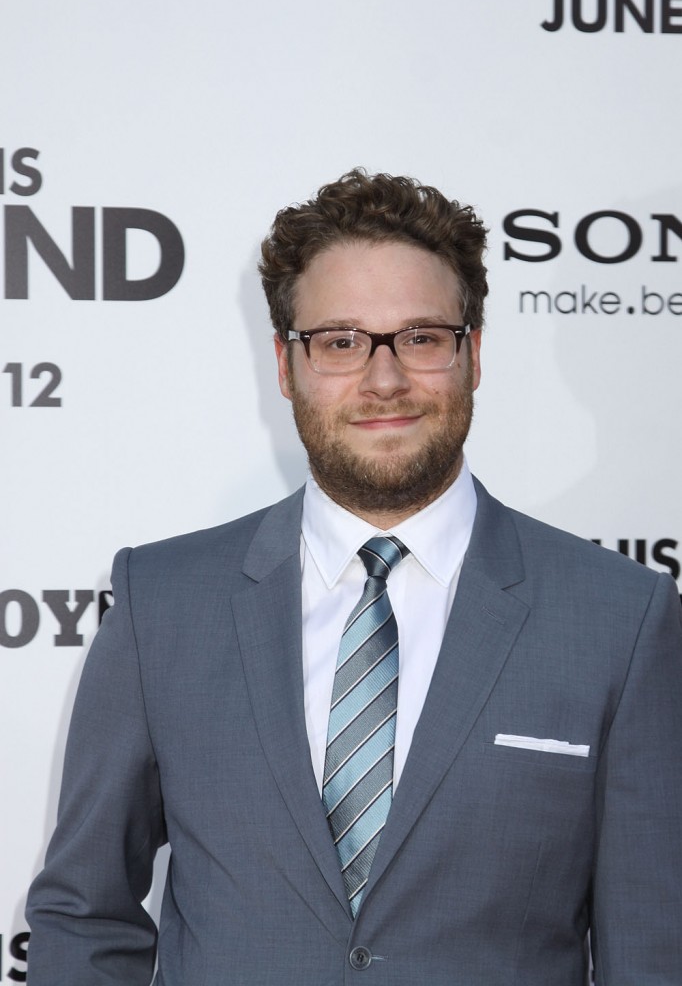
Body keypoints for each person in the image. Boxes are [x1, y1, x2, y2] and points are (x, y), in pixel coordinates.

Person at [26, 169, 682, 985]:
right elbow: (84, 917)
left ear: (472, 353)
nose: (383, 381)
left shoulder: (619, 617)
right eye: (340, 341)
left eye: (420, 337)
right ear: (285, 363)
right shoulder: (163, 603)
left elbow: (655, 949)